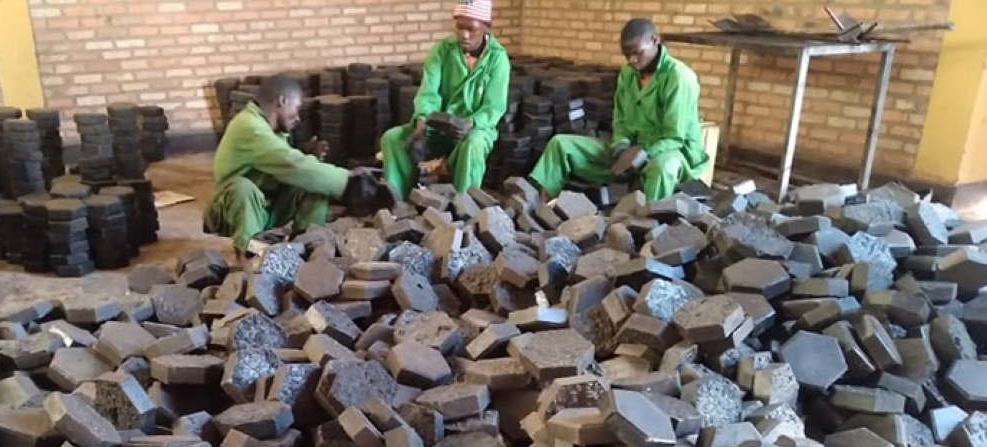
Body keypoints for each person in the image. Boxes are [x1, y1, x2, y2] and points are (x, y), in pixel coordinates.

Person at [529, 19, 709, 202]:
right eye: (626, 55)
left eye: (638, 53)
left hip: (671, 152)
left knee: (661, 168)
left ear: (655, 40)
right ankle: (539, 209)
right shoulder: (627, 73)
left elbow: (674, 138)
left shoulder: (679, 78)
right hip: (631, 149)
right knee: (560, 145)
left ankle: (646, 224)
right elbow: (620, 119)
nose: (632, 60)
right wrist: (621, 145)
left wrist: (644, 155)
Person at [204, 74, 369, 252]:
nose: (298, 118)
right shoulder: (249, 126)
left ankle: (309, 244)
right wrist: (351, 183)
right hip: (232, 210)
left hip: (265, 207)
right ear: (282, 101)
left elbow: (281, 162)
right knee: (243, 188)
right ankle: (250, 255)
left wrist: (305, 152)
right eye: (297, 108)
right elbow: (291, 164)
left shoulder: (271, 130)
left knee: (314, 184)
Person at [380, 0, 510, 195]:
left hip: (475, 129)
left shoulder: (498, 59)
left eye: (471, 29)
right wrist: (422, 122)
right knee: (392, 138)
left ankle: (465, 207)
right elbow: (428, 92)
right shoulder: (442, 50)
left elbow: (494, 107)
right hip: (438, 127)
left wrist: (471, 122)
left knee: (473, 145)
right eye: (459, 27)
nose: (464, 35)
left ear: (486, 27)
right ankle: (400, 201)